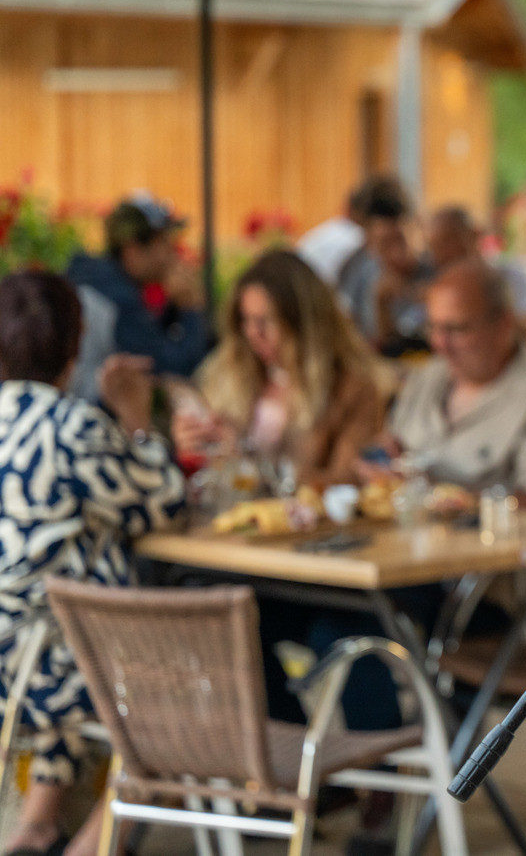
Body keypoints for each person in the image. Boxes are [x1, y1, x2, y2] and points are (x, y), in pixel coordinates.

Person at [0, 272, 185, 856]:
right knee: (177, 703)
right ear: (76, 345)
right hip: (51, 668)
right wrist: (135, 416)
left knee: (67, 625)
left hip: (11, 661)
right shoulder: (69, 427)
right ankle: (96, 843)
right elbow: (163, 504)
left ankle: (35, 827)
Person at [174, 250, 386, 488]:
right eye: (246, 320)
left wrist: (249, 467)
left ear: (303, 324)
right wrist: (192, 444)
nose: (254, 333)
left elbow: (347, 482)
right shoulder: (228, 376)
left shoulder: (353, 389)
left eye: (265, 321)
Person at [381, 259, 526, 507]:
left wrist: (449, 499)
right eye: (432, 328)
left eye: (457, 329)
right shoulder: (426, 378)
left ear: (503, 325)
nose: (440, 344)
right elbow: (393, 452)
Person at [64, 195, 210, 387]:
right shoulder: (117, 300)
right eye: (164, 242)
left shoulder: (98, 280)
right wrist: (191, 309)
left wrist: (173, 309)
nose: (172, 253)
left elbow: (149, 341)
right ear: (132, 250)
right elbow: (174, 368)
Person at [425, 204, 526, 365]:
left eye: (449, 241)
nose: (442, 254)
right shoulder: (444, 290)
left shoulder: (519, 274)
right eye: (435, 247)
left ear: (475, 235)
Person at [336, 176, 431, 355]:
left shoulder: (438, 273)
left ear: (418, 229)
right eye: (385, 244)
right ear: (369, 242)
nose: (396, 253)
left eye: (401, 240)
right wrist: (380, 306)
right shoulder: (357, 274)